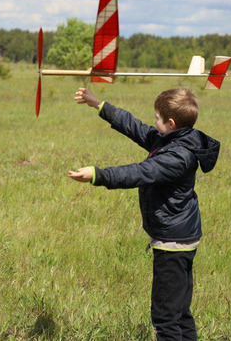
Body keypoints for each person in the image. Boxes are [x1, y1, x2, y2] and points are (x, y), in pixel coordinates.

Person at [68, 87, 220, 341]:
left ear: (171, 123)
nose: (154, 122)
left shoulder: (177, 156)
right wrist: (99, 105)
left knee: (166, 317)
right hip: (181, 236)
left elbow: (139, 173)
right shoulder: (176, 139)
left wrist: (97, 174)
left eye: (158, 118)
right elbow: (135, 127)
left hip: (173, 243)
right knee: (180, 312)